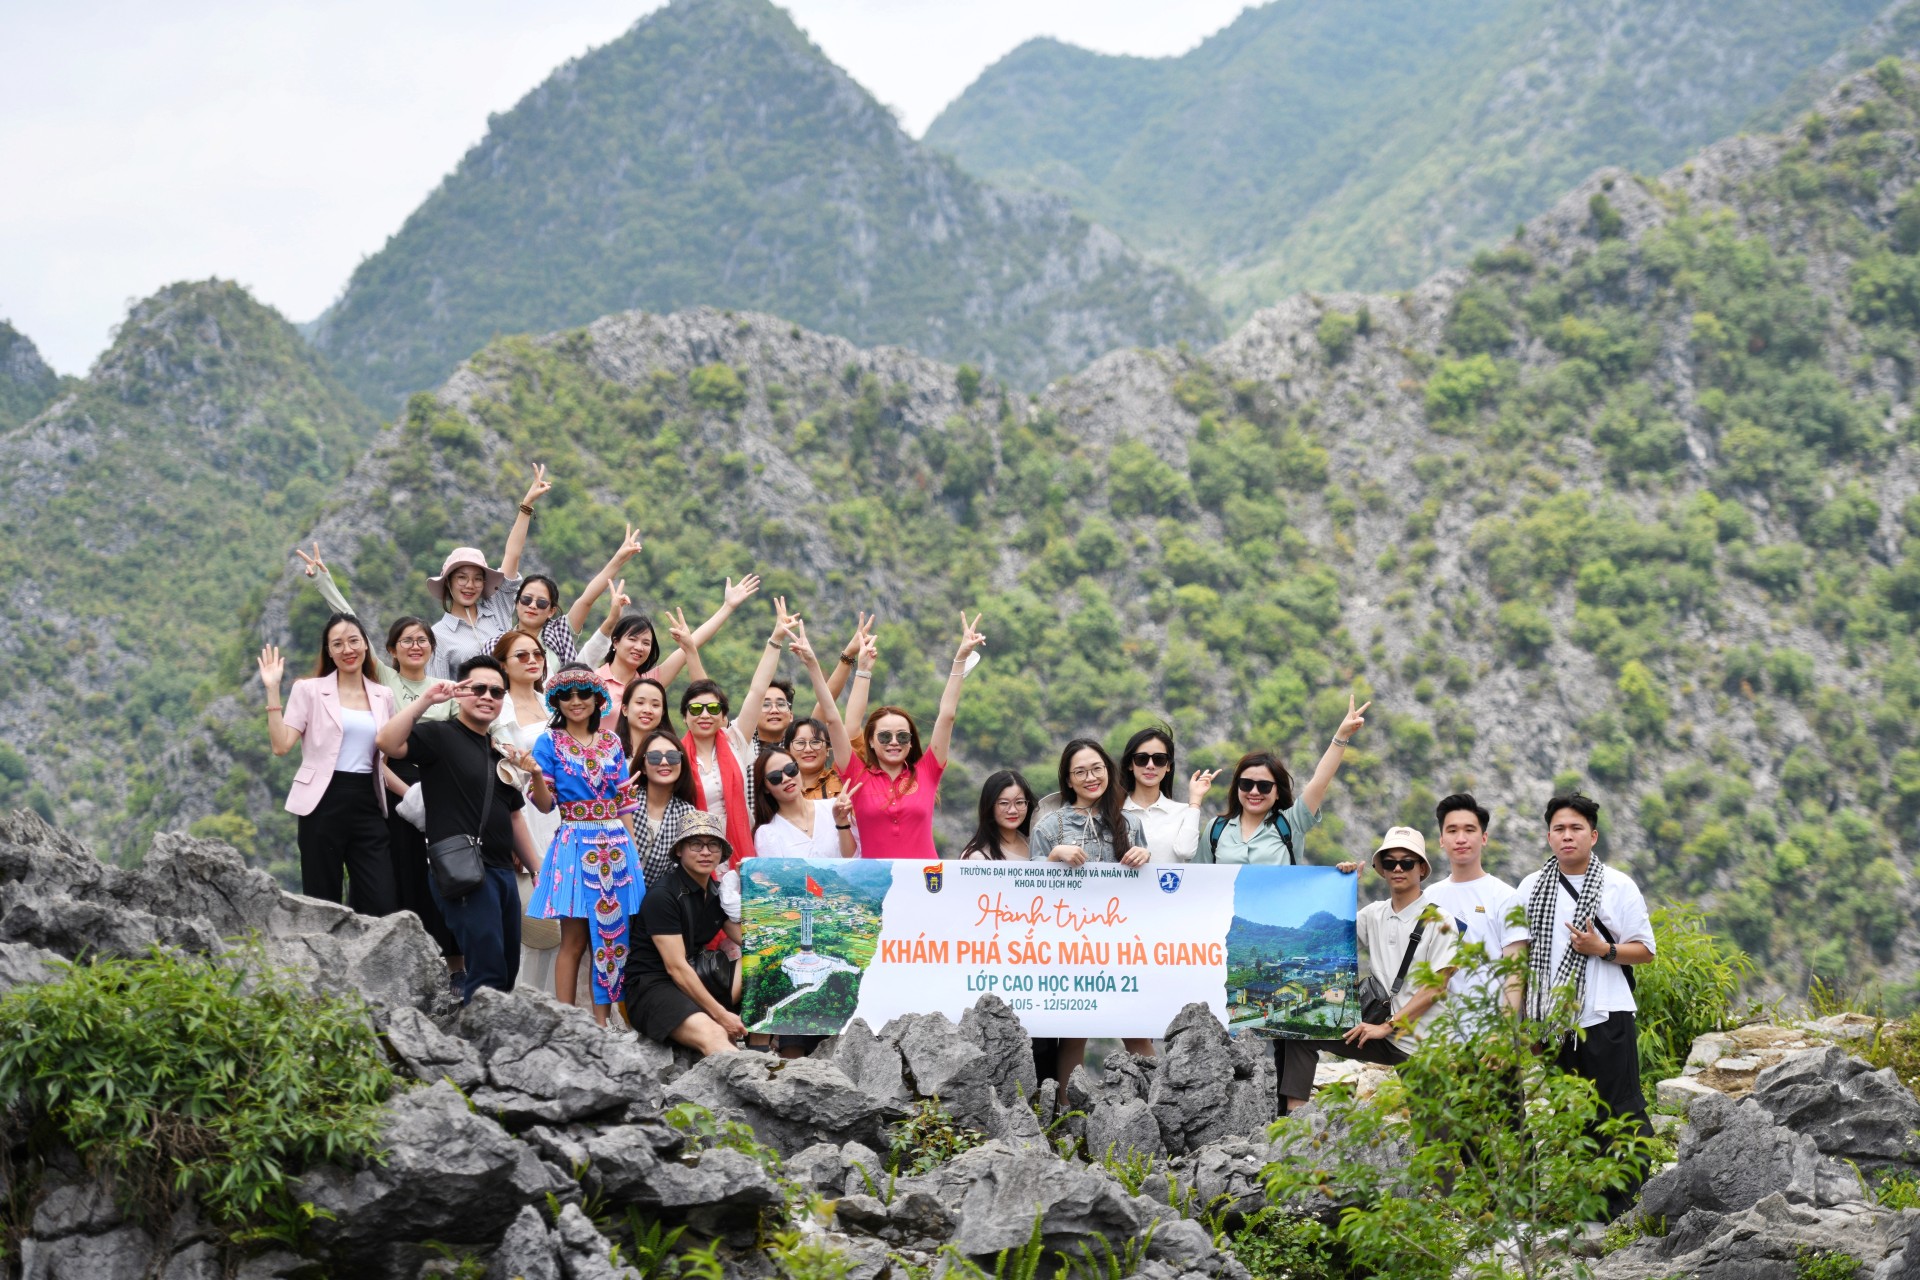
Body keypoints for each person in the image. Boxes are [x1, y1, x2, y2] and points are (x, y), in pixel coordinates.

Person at [1514, 793, 1655, 1217]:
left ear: (1593, 835)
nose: (1567, 836)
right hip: (1553, 1023)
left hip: (1605, 1012)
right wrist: (1526, 1025)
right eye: (1559, 828)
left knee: (1622, 1107)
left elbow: (1645, 951)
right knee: (1572, 1113)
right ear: (1548, 836)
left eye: (1576, 828)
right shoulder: (1529, 888)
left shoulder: (1618, 885)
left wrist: (1603, 948)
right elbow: (1519, 958)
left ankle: (1627, 1203)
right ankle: (1587, 1202)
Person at [375, 656, 539, 1002]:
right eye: (478, 688)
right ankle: (483, 1047)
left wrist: (538, 869)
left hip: (502, 871)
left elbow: (514, 817)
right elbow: (387, 743)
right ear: (461, 693)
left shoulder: (499, 753)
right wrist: (427, 700)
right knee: (488, 970)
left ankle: (494, 1043)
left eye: (496, 691)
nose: (487, 696)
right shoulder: (440, 735)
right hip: (462, 868)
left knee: (507, 969)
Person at [1278, 827, 1459, 1111]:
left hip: (1421, 1043)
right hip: (1375, 1028)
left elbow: (1436, 988)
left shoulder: (1441, 920)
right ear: (1381, 869)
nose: (1398, 868)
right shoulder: (1373, 914)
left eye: (1407, 862)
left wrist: (1386, 1027)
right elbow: (1323, 938)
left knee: (1437, 1138)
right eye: (1390, 862)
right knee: (1302, 1030)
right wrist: (1341, 887)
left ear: (1421, 868)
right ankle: (1294, 1121)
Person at [517, 665, 643, 1024]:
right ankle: (567, 1021)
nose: (575, 701)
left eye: (583, 694)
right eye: (566, 695)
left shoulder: (613, 742)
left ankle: (602, 1023)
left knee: (611, 936)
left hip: (615, 842)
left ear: (598, 699)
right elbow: (543, 804)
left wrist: (632, 853)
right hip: (574, 838)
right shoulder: (548, 741)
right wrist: (537, 775)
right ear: (556, 700)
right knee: (572, 939)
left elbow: (623, 804)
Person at [1029, 739, 1155, 1093]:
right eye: (1080, 772)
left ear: (1108, 771)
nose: (1090, 777)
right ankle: (1068, 1119)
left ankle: (1161, 1105)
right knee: (1073, 1033)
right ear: (1068, 780)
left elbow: (1149, 884)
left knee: (1136, 1029)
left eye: (1096, 768)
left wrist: (1145, 857)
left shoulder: (1129, 823)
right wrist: (1053, 855)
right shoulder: (1049, 826)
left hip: (1121, 941)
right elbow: (1025, 884)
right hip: (1068, 944)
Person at [258, 614, 399, 916]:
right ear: (329, 651)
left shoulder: (383, 695)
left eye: (353, 641)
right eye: (338, 644)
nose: (347, 649)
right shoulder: (308, 690)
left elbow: (385, 756)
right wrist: (273, 690)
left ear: (365, 645)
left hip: (368, 802)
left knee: (381, 901)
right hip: (322, 801)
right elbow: (281, 745)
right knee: (323, 902)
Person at [828, 612, 987, 859]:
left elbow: (946, 716)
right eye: (884, 737)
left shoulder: (927, 772)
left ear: (911, 741)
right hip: (877, 887)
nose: (894, 742)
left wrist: (960, 658)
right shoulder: (857, 776)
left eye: (902, 737)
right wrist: (863, 671)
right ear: (870, 740)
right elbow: (845, 724)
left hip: (926, 884)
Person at [680, 597, 795, 865]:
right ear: (684, 717)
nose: (705, 714)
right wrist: (689, 650)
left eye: (712, 709)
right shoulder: (675, 756)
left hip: (739, 854)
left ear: (723, 716)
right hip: (694, 858)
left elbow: (757, 689)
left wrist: (776, 638)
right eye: (695, 710)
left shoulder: (735, 741)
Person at [623, 811, 745, 1056]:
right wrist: (721, 1015)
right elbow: (676, 967)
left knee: (763, 959)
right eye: (696, 844)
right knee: (715, 1034)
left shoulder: (716, 891)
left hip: (695, 978)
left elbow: (752, 940)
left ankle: (767, 1045)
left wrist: (749, 886)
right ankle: (756, 1088)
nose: (705, 852)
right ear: (679, 850)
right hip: (654, 988)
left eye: (713, 844)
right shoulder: (663, 896)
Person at [1193, 696, 1371, 864]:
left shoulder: (1291, 823)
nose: (1254, 792)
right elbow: (1200, 881)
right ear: (1237, 787)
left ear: (1278, 791)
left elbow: (1319, 782)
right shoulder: (1216, 829)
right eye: (1246, 784)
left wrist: (1341, 736)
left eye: (1264, 786)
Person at [489, 631, 565, 998]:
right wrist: (509, 837)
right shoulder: (496, 709)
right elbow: (497, 776)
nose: (533, 660)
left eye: (537, 653)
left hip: (559, 815)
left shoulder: (552, 704)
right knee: (529, 921)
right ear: (502, 664)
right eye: (521, 655)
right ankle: (523, 1004)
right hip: (521, 816)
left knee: (564, 923)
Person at [1422, 793, 1529, 1035]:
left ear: (1484, 838)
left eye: (1469, 830)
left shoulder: (1506, 897)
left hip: (1490, 1034)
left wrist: (1502, 1035)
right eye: (1452, 831)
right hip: (1439, 1037)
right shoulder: (1429, 898)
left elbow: (1515, 974)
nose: (1461, 839)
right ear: (1441, 839)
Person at [580, 574, 763, 701]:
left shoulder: (649, 682)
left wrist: (727, 607)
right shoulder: (593, 679)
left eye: (646, 643)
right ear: (616, 642)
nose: (639, 647)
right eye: (632, 639)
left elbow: (693, 643)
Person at [487, 525, 644, 671]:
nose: (532, 606)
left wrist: (619, 558)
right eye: (527, 599)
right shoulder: (498, 644)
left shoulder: (559, 633)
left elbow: (586, 600)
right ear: (517, 603)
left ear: (551, 611)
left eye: (541, 603)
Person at [1118, 726, 1218, 863]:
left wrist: (1195, 801)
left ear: (1168, 765)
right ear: (1130, 764)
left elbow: (1186, 851)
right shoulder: (1114, 811)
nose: (1150, 765)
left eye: (1159, 759)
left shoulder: (1182, 811)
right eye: (1142, 759)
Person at [752, 747, 859, 859]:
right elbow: (773, 876)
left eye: (790, 769)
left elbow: (853, 861)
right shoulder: (766, 833)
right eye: (775, 777)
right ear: (765, 788)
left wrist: (842, 823)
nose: (786, 778)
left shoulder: (833, 808)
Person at [629, 727, 700, 888]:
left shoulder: (688, 814)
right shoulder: (626, 802)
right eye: (654, 757)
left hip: (660, 903)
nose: (664, 762)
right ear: (643, 767)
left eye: (673, 756)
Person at [960, 771, 1037, 861]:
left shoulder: (1036, 845)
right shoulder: (977, 857)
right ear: (989, 806)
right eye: (1004, 803)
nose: (1013, 810)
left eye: (1019, 802)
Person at [616, 676, 676, 759]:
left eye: (655, 705)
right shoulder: (610, 752)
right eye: (640, 703)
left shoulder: (672, 754)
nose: (647, 710)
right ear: (625, 709)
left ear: (662, 713)